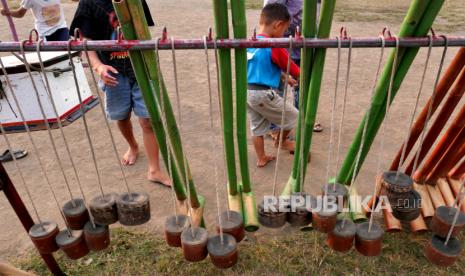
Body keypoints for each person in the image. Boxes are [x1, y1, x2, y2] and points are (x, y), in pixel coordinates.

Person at [69, 0, 170, 186]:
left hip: (142, 67)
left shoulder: (135, 1)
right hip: (112, 70)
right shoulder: (89, 3)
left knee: (147, 120)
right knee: (121, 116)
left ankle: (154, 170)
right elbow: (86, 40)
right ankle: (133, 146)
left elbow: (142, 30)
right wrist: (98, 65)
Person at [247, 3, 300, 167]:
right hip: (263, 94)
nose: (284, 34)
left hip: (248, 93)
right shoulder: (274, 46)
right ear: (277, 25)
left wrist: (285, 78)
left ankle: (261, 158)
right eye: (285, 30)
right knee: (294, 117)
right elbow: (295, 70)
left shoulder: (251, 41)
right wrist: (300, 75)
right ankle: (281, 142)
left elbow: (261, 67)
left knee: (257, 128)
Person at [263, 0, 323, 134]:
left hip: (305, 44)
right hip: (282, 45)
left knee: (302, 85)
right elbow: (270, 14)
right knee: (277, 87)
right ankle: (274, 125)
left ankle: (303, 117)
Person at [0, 0, 69, 41]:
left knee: (66, 49)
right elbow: (20, 13)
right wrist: (8, 12)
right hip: (44, 33)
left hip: (61, 28)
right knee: (50, 55)